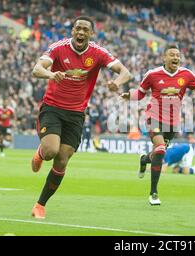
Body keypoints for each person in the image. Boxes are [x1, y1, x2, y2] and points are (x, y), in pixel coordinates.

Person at [30, 16, 132, 219]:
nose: (81, 33)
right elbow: (37, 69)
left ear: (91, 34)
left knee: (62, 160)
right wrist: (51, 75)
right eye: (78, 29)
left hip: (76, 114)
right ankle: (41, 153)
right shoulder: (58, 48)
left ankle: (40, 205)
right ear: (72, 31)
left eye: (85, 30)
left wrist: (117, 82)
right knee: (51, 150)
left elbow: (125, 72)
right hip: (53, 108)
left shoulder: (98, 52)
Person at [121, 44, 195, 205]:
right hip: (154, 116)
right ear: (164, 58)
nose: (176, 58)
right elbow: (140, 93)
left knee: (159, 154)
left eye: (178, 55)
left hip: (173, 122)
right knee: (159, 149)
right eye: (172, 55)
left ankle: (144, 160)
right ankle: (154, 193)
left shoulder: (187, 75)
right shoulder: (152, 74)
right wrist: (129, 95)